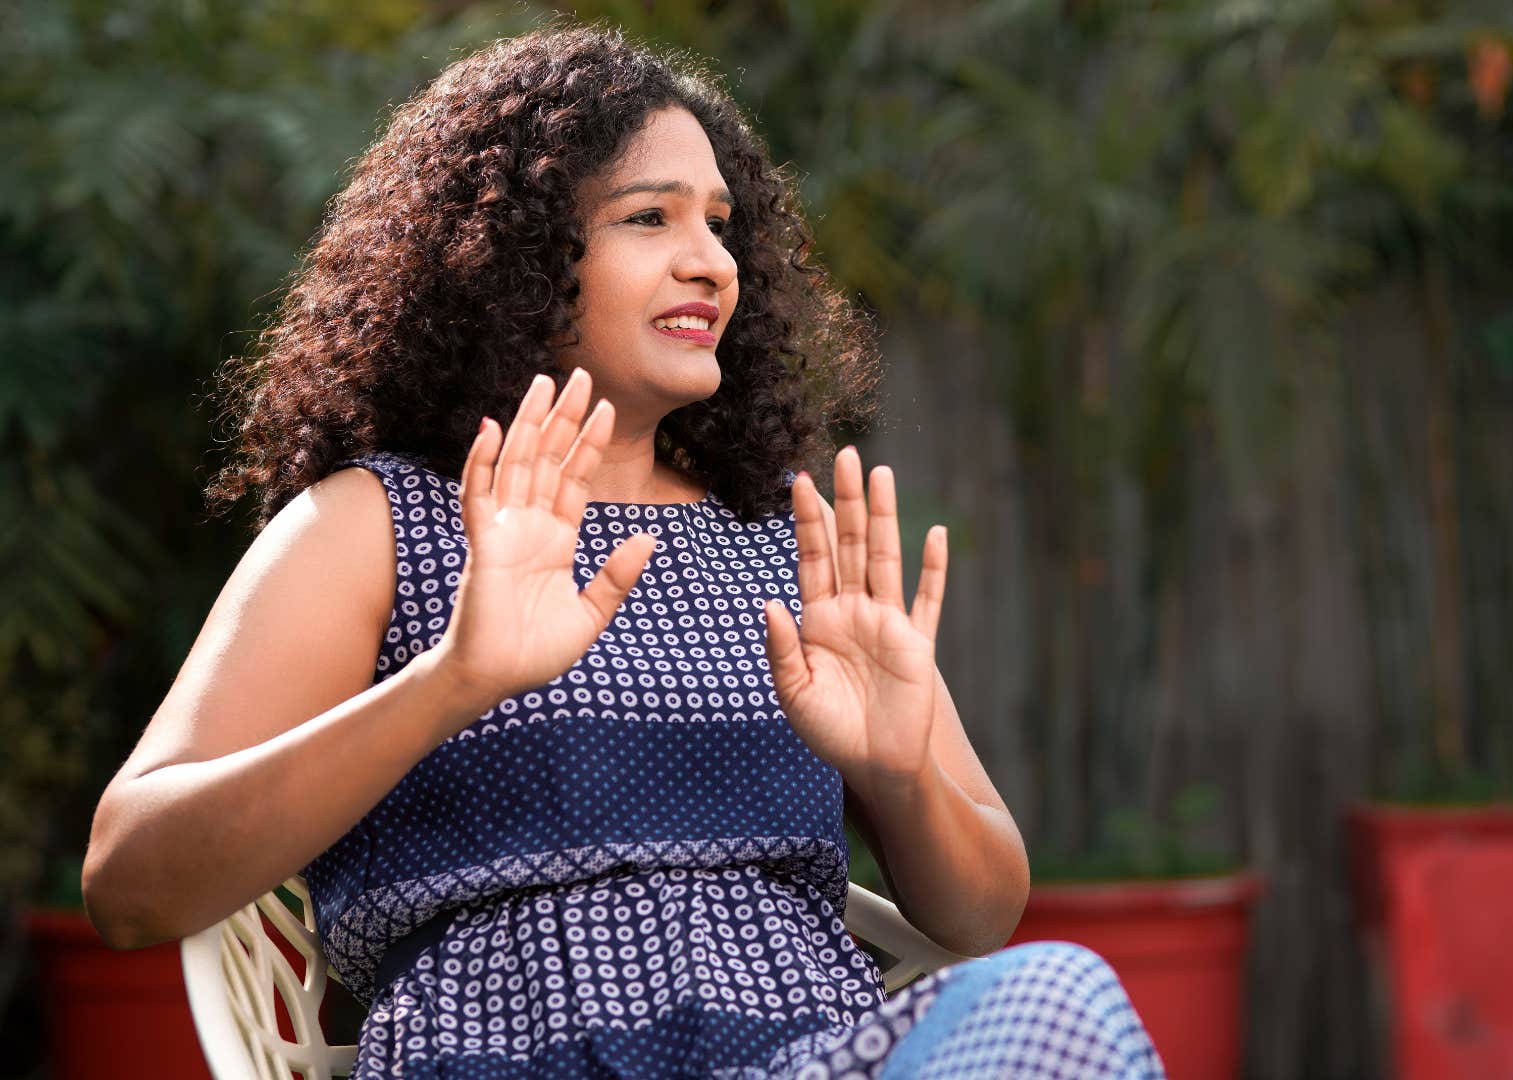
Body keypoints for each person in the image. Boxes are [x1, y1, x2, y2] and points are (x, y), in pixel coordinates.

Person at [80, 23, 1163, 1079]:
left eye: (722, 224)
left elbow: (980, 916)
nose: (710, 263)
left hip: (809, 1056)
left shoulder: (785, 542)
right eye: (650, 218)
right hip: (506, 1055)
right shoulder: (374, 525)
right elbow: (131, 882)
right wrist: (450, 682)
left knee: (1056, 999)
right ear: (510, 254)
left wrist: (900, 770)